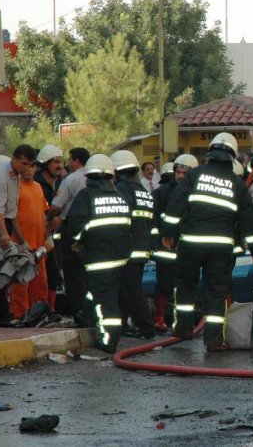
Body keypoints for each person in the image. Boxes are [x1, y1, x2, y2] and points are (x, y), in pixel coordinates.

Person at [161, 133, 253, 351]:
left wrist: (168, 233)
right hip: (221, 248)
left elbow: (175, 203)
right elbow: (248, 219)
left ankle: (182, 329)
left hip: (191, 244)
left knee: (185, 286)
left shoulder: (195, 175)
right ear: (232, 157)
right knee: (216, 291)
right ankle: (214, 340)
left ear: (210, 153)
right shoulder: (237, 183)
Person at [64, 154, 133, 353]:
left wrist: (79, 242)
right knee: (98, 291)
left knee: (106, 300)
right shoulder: (119, 196)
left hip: (99, 259)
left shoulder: (86, 196)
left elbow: (75, 227)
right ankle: (86, 316)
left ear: (89, 176)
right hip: (121, 258)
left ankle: (110, 339)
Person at [0, 145, 37, 325]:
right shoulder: (1, 178)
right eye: (24, 163)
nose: (26, 168)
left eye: (29, 164)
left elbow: (12, 213)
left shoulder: (15, 175)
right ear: (15, 159)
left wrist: (21, 240)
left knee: (4, 270)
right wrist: (4, 235)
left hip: (3, 223)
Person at [150, 154, 198, 332]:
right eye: (178, 172)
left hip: (187, 247)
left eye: (184, 173)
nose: (180, 176)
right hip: (166, 248)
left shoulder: (195, 193)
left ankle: (182, 322)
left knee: (184, 286)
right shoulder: (161, 193)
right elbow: (152, 220)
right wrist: (157, 242)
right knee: (164, 284)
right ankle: (159, 318)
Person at [111, 150, 155, 339]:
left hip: (128, 249)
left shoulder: (122, 189)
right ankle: (122, 325)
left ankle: (146, 328)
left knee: (132, 290)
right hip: (142, 247)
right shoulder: (142, 191)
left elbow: (121, 218)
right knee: (126, 289)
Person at [47, 147, 91, 323]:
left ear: (76, 161)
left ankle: (80, 315)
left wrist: (48, 218)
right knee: (89, 275)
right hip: (93, 231)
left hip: (71, 229)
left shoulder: (71, 179)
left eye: (70, 160)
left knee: (73, 275)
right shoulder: (97, 178)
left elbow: (56, 206)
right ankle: (91, 314)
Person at [8, 163, 50, 322]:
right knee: (20, 284)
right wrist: (21, 241)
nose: (28, 169)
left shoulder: (38, 187)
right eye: (25, 165)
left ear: (36, 168)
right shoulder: (15, 188)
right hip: (21, 245)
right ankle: (20, 315)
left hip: (38, 245)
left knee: (40, 283)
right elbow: (12, 218)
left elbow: (43, 214)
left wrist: (47, 238)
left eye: (32, 166)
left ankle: (39, 314)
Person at [34, 144, 63, 311]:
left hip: (54, 238)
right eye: (54, 162)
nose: (59, 165)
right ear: (45, 164)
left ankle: (50, 310)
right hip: (38, 235)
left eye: (60, 161)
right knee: (40, 275)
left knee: (53, 275)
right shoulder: (36, 184)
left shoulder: (61, 183)